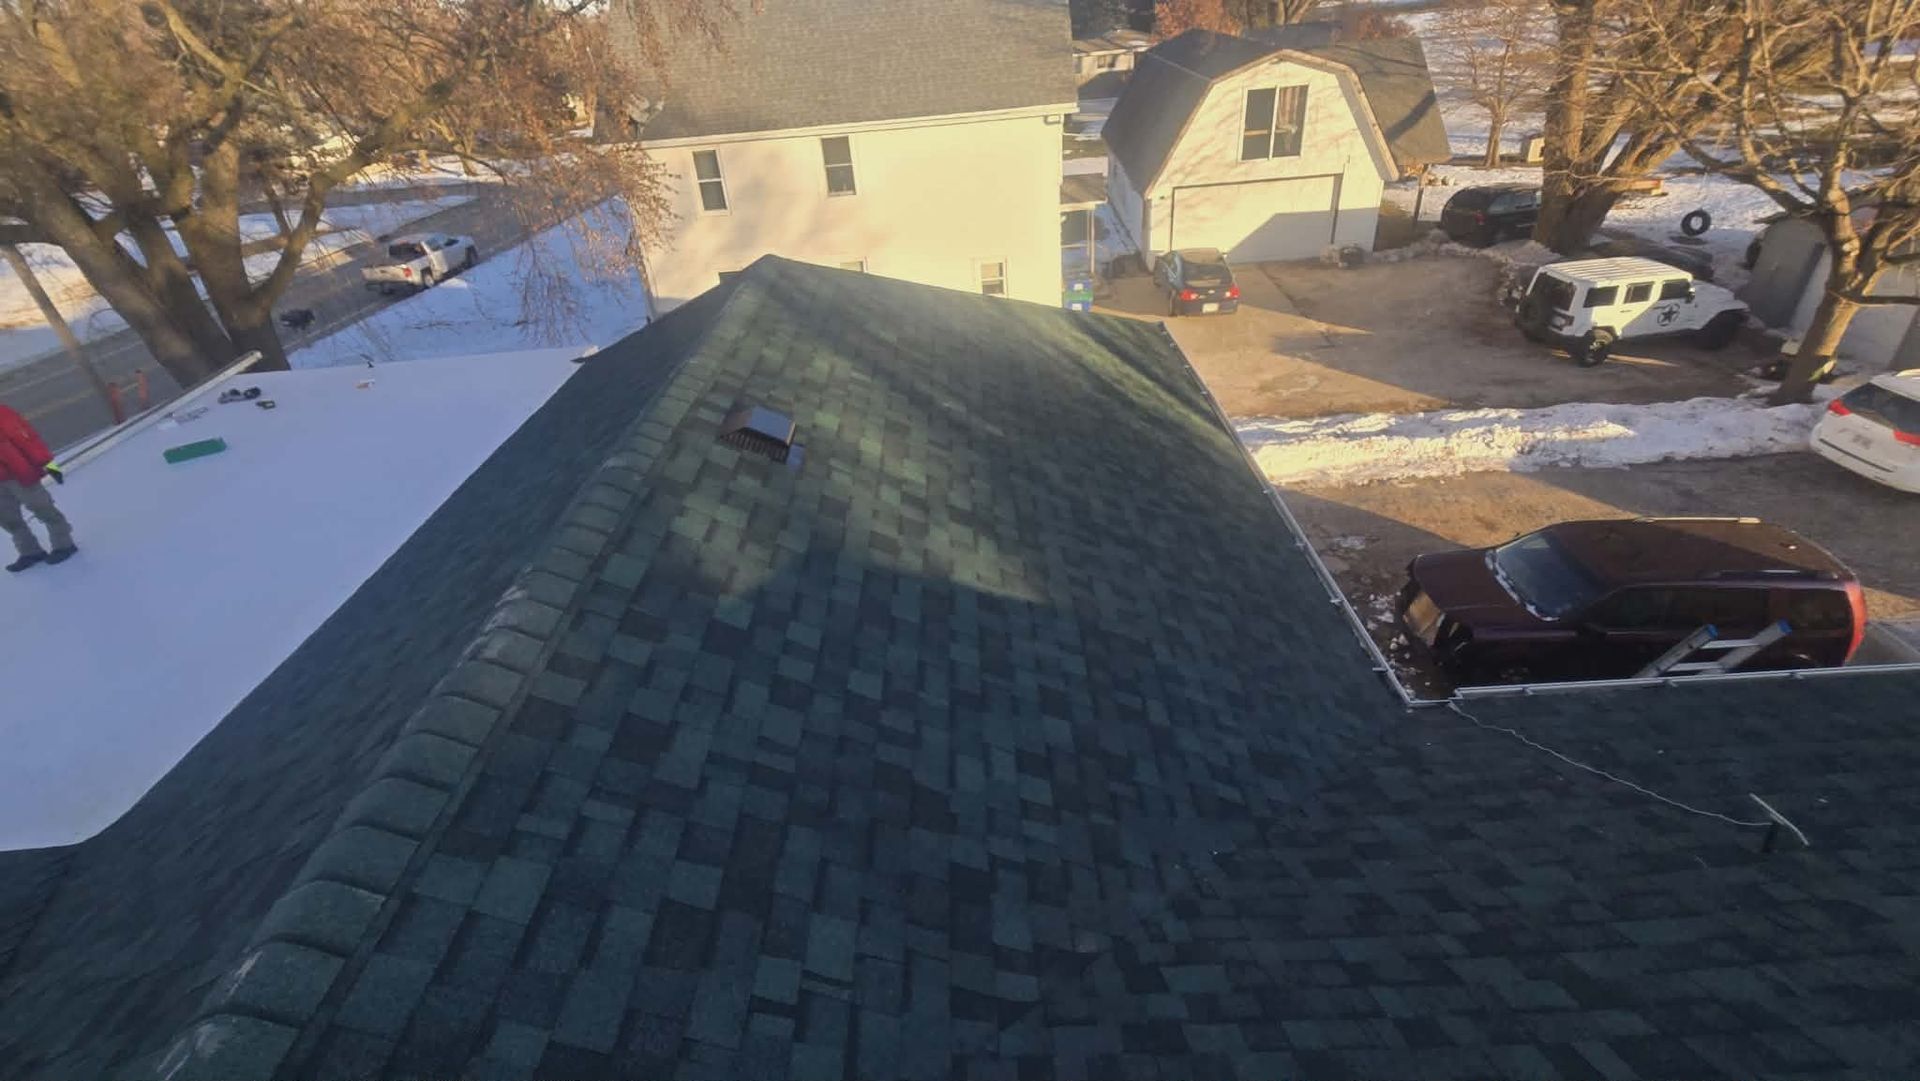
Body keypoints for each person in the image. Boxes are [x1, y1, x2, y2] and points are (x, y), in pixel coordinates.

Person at [0, 403, 76, 572]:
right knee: (8, 519)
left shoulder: (2, 414)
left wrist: (48, 463)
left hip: (18, 473)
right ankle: (30, 552)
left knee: (42, 508)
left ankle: (64, 544)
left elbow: (27, 439)